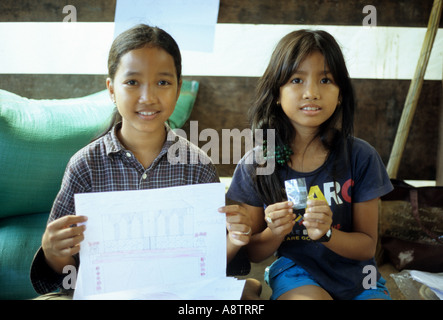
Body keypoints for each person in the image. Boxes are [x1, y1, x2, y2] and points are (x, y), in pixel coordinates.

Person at [30, 24, 254, 298]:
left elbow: (208, 267)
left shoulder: (197, 165)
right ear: (111, 89)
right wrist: (53, 253)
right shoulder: (85, 166)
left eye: (163, 82)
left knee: (246, 296)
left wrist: (233, 240)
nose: (148, 97)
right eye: (132, 82)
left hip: (177, 296)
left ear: (178, 88)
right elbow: (68, 277)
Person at [223, 29, 394, 300]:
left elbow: (366, 247)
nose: (311, 92)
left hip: (359, 276)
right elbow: (254, 253)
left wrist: (327, 234)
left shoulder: (361, 156)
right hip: (297, 271)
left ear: (340, 94)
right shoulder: (257, 164)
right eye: (296, 79)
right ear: (277, 93)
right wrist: (275, 232)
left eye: (325, 79)